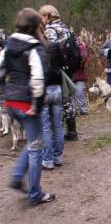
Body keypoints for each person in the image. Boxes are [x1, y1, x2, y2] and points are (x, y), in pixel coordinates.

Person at [0, 8, 55, 206]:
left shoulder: (9, 45)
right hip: (27, 104)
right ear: (35, 26)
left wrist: (5, 93)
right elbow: (39, 78)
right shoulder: (34, 48)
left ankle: (16, 176)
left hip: (11, 102)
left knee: (34, 142)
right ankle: (35, 194)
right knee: (35, 148)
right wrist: (37, 104)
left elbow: (1, 70)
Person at [39, 4, 79, 141]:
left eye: (42, 16)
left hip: (59, 69)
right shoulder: (65, 27)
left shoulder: (50, 30)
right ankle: (72, 130)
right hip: (70, 67)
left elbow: (50, 50)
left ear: (47, 16)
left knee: (62, 100)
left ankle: (58, 132)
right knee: (68, 99)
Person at [41, 28, 65, 170]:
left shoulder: (34, 48)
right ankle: (58, 157)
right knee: (57, 125)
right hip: (56, 88)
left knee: (44, 127)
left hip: (42, 90)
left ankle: (48, 160)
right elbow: (63, 63)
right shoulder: (55, 45)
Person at [72, 36, 89, 115]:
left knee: (80, 92)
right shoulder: (63, 46)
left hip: (79, 74)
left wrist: (82, 46)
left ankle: (83, 109)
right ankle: (73, 110)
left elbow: (84, 57)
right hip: (69, 74)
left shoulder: (81, 46)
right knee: (70, 94)